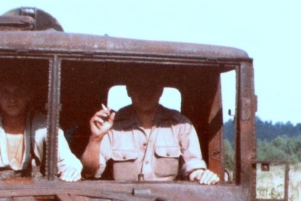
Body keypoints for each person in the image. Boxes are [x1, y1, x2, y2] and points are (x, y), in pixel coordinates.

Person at [81, 77, 220, 184]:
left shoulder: (181, 125)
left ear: (161, 91)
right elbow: (90, 171)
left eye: (151, 87)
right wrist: (96, 138)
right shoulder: (112, 125)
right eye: (138, 87)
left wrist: (203, 175)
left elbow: (193, 167)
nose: (145, 92)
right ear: (129, 90)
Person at [0, 78, 82, 181]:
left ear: (29, 96)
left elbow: (66, 158)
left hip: (34, 188)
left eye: (18, 92)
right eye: (5, 92)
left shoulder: (45, 124)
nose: (12, 99)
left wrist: (70, 170)